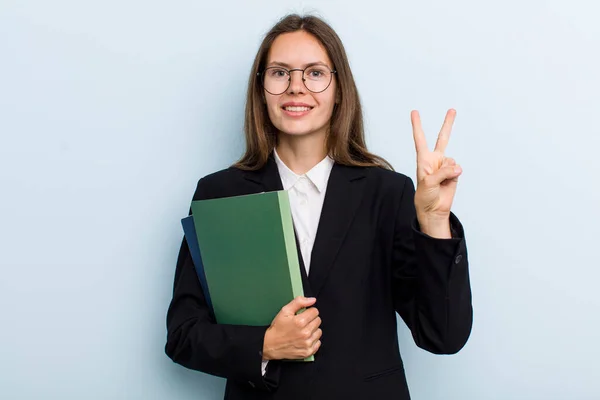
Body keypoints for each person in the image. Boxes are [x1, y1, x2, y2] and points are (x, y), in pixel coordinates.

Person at [165, 13, 473, 400]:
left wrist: (434, 221)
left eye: (314, 73)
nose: (296, 87)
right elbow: (183, 333)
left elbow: (443, 334)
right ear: (261, 88)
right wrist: (264, 345)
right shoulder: (220, 193)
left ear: (338, 88)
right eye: (280, 73)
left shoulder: (387, 192)